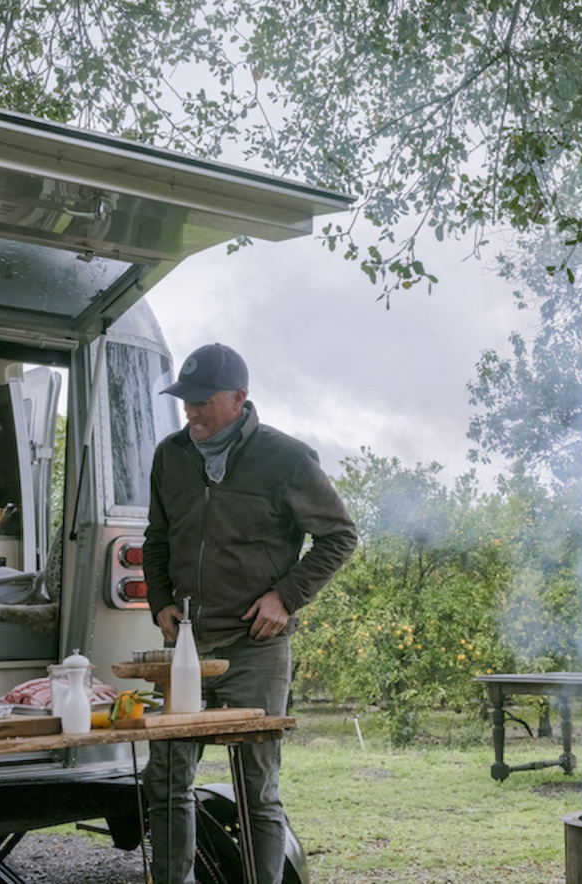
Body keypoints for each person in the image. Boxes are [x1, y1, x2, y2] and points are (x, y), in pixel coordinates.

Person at [141, 343, 358, 884]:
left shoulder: (285, 458)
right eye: (184, 400)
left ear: (238, 398)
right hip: (187, 645)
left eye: (202, 401)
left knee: (256, 790)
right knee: (166, 781)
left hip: (254, 646)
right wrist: (160, 600)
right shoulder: (171, 455)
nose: (190, 412)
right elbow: (157, 538)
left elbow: (339, 535)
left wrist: (286, 596)